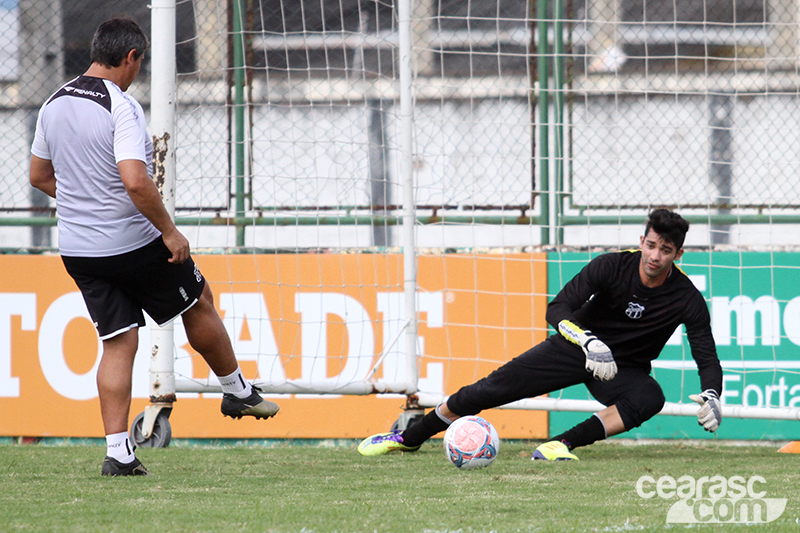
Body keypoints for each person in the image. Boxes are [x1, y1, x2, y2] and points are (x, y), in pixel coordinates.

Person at [29, 17, 279, 476]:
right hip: (131, 244)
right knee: (198, 299)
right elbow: (136, 181)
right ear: (131, 57)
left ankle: (119, 453)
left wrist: (85, 206)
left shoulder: (53, 101)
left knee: (118, 342)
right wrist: (169, 231)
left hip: (79, 250)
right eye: (139, 64)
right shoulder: (120, 107)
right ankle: (237, 389)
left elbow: (39, 176)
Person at [358, 209, 723, 460]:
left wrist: (712, 395)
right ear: (642, 240)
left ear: (678, 254)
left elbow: (705, 353)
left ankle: (560, 444)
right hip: (576, 348)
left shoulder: (686, 297)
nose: (655, 256)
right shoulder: (611, 266)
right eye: (651, 244)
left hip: (621, 368)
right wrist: (587, 340)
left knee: (650, 396)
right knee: (488, 390)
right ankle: (408, 438)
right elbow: (558, 308)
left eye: (666, 250)